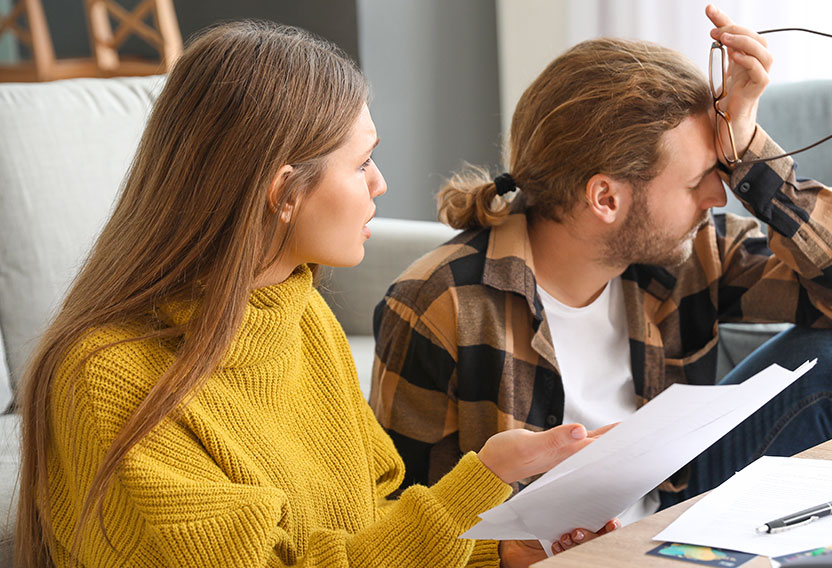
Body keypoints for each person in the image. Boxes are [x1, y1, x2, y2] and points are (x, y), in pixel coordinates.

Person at [14, 21, 615, 568]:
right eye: (362, 163)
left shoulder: (302, 316)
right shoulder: (107, 380)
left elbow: (367, 521)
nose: (381, 182)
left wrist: (501, 550)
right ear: (284, 192)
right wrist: (483, 477)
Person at [372, 4, 832, 525]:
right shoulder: (439, 302)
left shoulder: (692, 252)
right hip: (538, 546)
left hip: (671, 496)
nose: (718, 197)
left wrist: (749, 148)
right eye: (701, 178)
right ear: (606, 198)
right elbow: (401, 513)